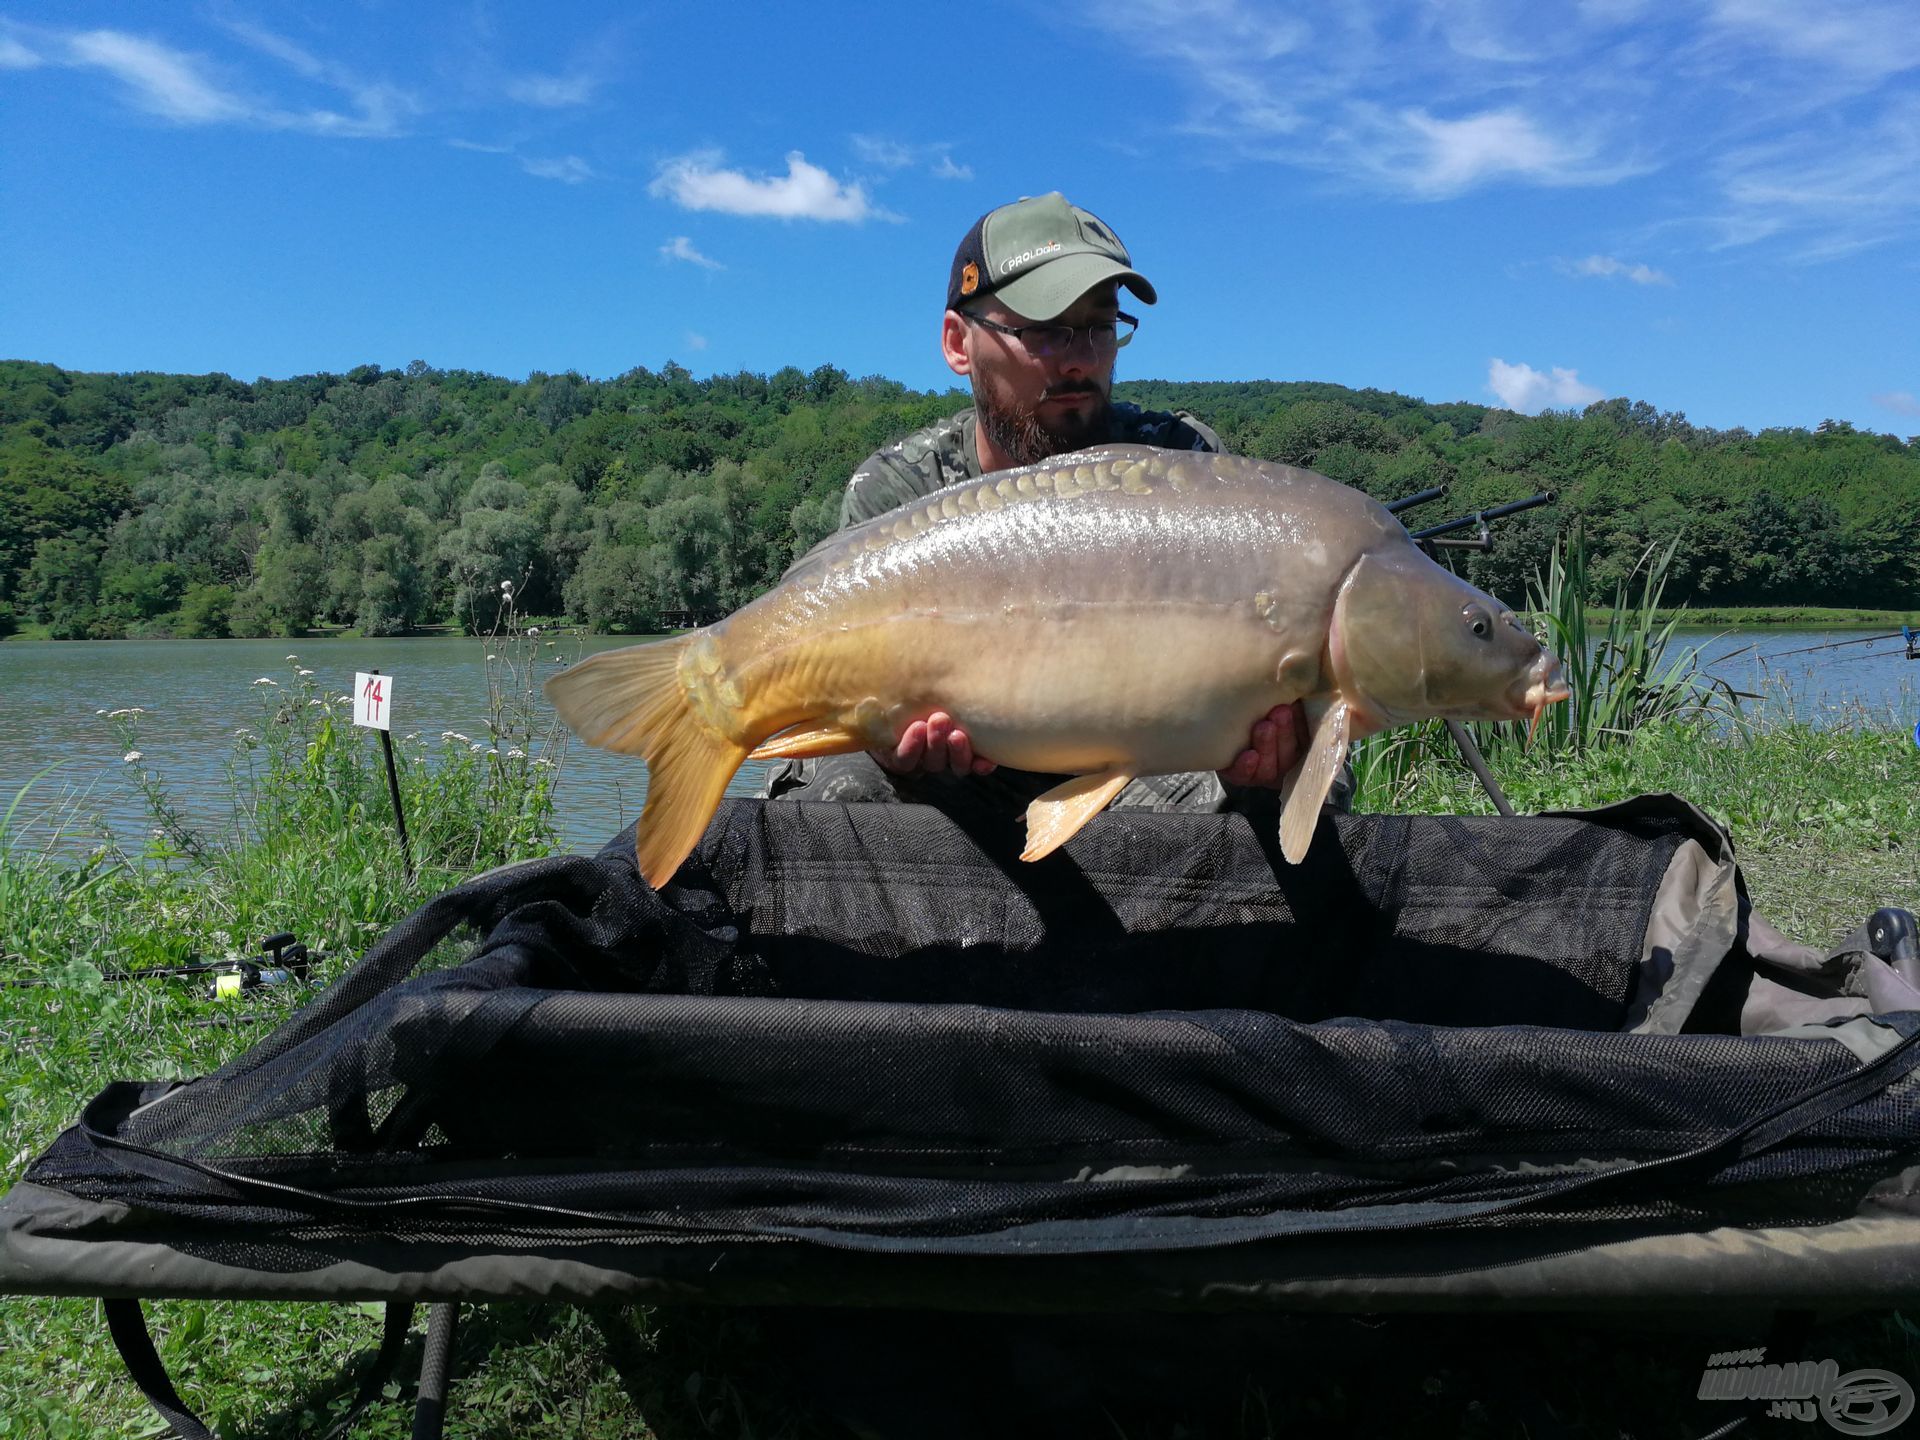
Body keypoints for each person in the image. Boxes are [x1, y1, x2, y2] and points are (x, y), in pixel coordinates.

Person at [765, 191, 1315, 817]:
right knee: (835, 787)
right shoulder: (900, 491)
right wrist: (885, 739)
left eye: (1100, 327)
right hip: (961, 771)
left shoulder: (1185, 466)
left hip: (1128, 764)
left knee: (1304, 778)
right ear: (958, 343)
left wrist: (1262, 762)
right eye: (1046, 331)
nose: (1080, 360)